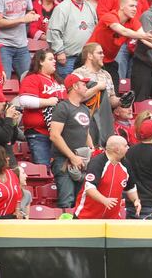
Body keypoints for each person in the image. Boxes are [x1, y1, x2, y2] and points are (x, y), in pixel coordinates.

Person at [88, 0, 152, 92]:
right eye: (131, 6)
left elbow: (145, 38)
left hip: (108, 62)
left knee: (114, 93)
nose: (135, 9)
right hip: (90, 59)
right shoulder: (109, 16)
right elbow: (123, 31)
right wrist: (143, 36)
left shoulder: (132, 21)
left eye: (136, 6)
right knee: (90, 93)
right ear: (121, 6)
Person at [49, 74, 93, 209]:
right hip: (64, 161)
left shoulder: (85, 108)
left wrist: (92, 149)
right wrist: (72, 157)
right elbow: (54, 135)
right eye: (83, 84)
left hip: (81, 161)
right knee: (66, 201)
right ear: (74, 86)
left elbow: (86, 132)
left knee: (80, 202)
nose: (86, 87)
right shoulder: (63, 107)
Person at [74, 135, 140, 219]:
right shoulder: (97, 163)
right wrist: (104, 200)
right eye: (125, 146)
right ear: (117, 149)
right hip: (87, 217)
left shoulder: (126, 164)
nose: (128, 148)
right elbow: (89, 188)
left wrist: (136, 200)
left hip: (112, 218)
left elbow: (130, 187)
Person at [19, 49, 66, 165]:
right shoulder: (32, 78)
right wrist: (48, 101)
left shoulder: (57, 80)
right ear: (40, 61)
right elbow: (24, 100)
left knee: (59, 171)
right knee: (44, 169)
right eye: (50, 59)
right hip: (39, 133)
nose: (54, 62)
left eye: (54, 59)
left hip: (60, 134)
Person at [47, 0, 98, 78]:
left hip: (87, 58)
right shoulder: (62, 8)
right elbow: (54, 32)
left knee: (88, 89)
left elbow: (96, 28)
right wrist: (59, 52)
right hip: (69, 58)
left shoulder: (90, 6)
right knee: (69, 88)